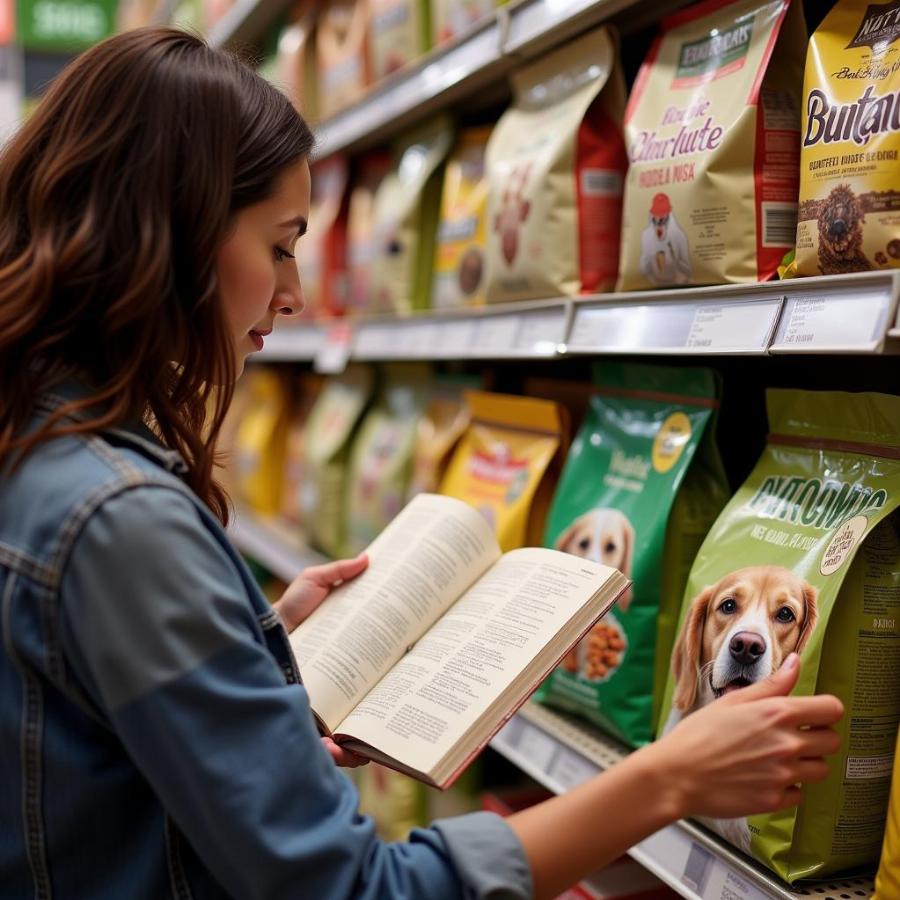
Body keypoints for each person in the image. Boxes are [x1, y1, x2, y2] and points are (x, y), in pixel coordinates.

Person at [0, 27, 843, 900]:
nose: (292, 292)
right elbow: (357, 890)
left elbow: (80, 729)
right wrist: (669, 778)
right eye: (282, 244)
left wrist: (259, 654)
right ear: (170, 232)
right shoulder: (120, 520)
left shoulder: (34, 445)